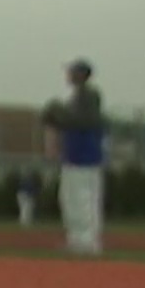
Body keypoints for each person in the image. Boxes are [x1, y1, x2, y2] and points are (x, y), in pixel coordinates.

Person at [41, 58, 106, 255]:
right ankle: (77, 239)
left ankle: (87, 241)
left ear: (81, 75)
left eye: (72, 71)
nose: (68, 75)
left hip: (85, 156)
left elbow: (80, 122)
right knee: (70, 198)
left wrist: (57, 112)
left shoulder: (89, 95)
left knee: (83, 198)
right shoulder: (77, 97)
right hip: (74, 155)